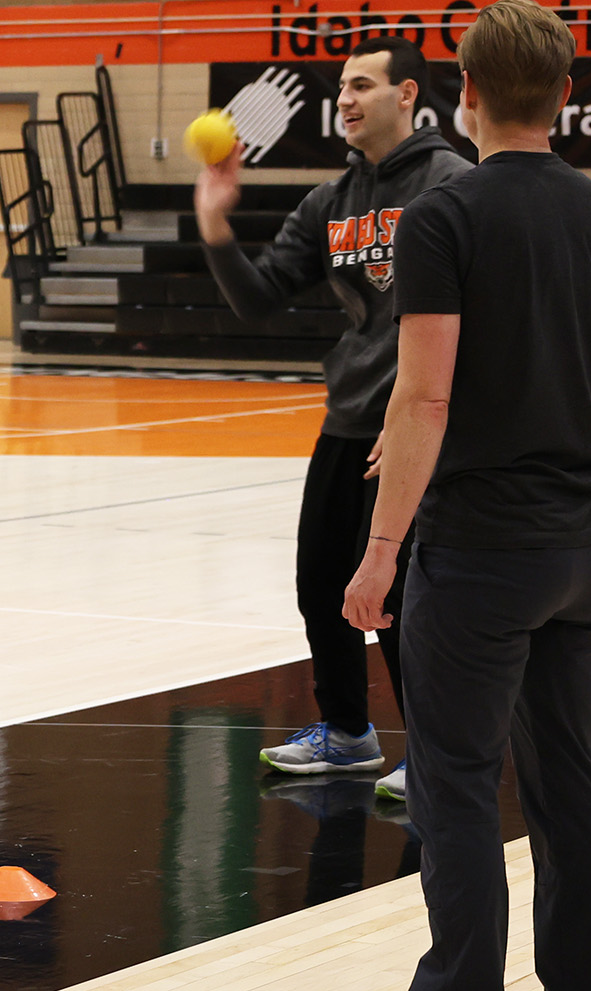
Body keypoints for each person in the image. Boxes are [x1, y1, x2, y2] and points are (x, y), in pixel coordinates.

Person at [337, 0, 591, 991]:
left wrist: (378, 554)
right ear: (563, 93)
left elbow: (423, 397)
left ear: (461, 90)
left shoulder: (442, 215)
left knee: (454, 789)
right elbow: (559, 376)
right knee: (568, 783)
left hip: (484, 551)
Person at [196, 37, 471, 792]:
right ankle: (348, 732)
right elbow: (257, 298)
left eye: (361, 86)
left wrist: (426, 409)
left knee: (403, 600)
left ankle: (437, 756)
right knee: (322, 583)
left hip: (416, 430)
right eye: (341, 90)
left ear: (408, 94)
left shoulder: (454, 184)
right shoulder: (330, 201)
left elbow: (483, 313)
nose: (344, 100)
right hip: (347, 419)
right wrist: (216, 223)